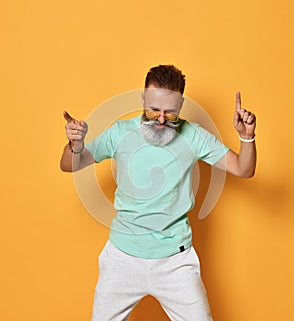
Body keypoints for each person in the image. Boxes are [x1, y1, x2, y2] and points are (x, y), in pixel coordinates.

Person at [60, 65, 256, 321]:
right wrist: (75, 145)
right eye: (154, 109)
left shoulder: (194, 136)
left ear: (181, 105)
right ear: (143, 99)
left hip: (176, 261)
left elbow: (243, 169)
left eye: (170, 112)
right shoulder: (120, 132)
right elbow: (69, 165)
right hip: (122, 259)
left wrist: (247, 138)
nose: (161, 119)